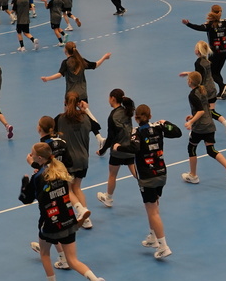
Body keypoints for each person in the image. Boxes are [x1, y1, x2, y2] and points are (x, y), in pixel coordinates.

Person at [19, 142, 110, 281]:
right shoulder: (60, 169)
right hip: (68, 219)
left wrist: (25, 183)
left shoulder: (37, 178)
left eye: (32, 154)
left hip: (50, 223)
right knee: (73, 260)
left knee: (44, 254)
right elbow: (47, 172)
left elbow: (26, 199)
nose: (30, 155)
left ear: (39, 158)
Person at [112, 105, 181, 259]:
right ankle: (153, 237)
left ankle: (163, 246)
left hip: (147, 177)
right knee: (153, 205)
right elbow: (177, 132)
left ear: (136, 118)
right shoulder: (158, 127)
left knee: (152, 211)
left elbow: (134, 148)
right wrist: (166, 123)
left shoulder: (137, 132)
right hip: (161, 173)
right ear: (150, 116)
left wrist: (118, 147)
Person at [182, 71, 226, 185]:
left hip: (200, 127)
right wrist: (193, 116)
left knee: (191, 148)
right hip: (210, 125)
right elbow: (204, 108)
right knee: (211, 150)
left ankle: (193, 175)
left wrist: (191, 122)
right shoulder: (202, 91)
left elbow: (201, 111)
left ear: (190, 81)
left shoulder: (192, 95)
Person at [30, 117, 71, 266]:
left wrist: (33, 165)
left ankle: (62, 257)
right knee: (54, 223)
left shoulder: (45, 148)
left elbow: (27, 196)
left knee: (51, 223)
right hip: (59, 191)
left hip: (50, 197)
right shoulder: (60, 144)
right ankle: (59, 255)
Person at [178, 41, 226, 142]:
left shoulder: (198, 62)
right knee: (211, 112)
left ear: (197, 51)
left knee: (200, 110)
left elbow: (198, 77)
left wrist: (189, 75)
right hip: (212, 88)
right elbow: (200, 73)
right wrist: (189, 73)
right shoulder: (207, 61)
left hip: (204, 90)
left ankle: (194, 129)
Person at [182, 4, 226, 100]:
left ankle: (223, 86)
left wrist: (188, 24)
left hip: (214, 52)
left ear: (211, 12)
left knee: (211, 73)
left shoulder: (209, 25)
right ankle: (222, 92)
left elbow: (199, 27)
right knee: (217, 72)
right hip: (225, 51)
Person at [53, 92, 97, 222]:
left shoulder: (59, 119)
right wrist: (86, 110)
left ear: (65, 102)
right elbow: (96, 126)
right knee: (77, 187)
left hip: (68, 161)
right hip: (83, 159)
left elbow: (51, 136)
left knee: (67, 189)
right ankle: (86, 219)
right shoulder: (85, 118)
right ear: (79, 103)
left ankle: (80, 210)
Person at [95, 88, 137, 209]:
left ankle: (108, 198)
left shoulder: (112, 116)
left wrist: (102, 151)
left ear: (113, 98)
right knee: (137, 174)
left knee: (112, 175)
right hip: (129, 149)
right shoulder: (127, 111)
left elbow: (110, 138)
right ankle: (149, 188)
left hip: (117, 151)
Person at [41, 41, 110, 104]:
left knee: (68, 112)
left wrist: (47, 78)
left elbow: (59, 74)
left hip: (71, 95)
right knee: (85, 111)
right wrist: (104, 57)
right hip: (82, 93)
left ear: (65, 50)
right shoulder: (81, 61)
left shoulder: (66, 62)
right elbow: (95, 65)